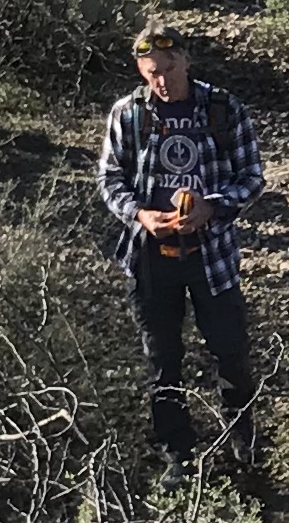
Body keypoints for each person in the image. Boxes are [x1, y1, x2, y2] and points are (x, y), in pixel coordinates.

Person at [96, 23, 266, 466]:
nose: (162, 81)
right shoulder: (128, 113)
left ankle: (242, 445)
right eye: (152, 72)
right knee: (162, 360)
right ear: (140, 69)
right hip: (151, 257)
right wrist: (139, 214)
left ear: (187, 61)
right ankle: (178, 454)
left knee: (230, 353)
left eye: (170, 69)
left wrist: (213, 207)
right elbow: (110, 178)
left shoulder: (224, 109)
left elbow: (251, 177)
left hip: (213, 257)